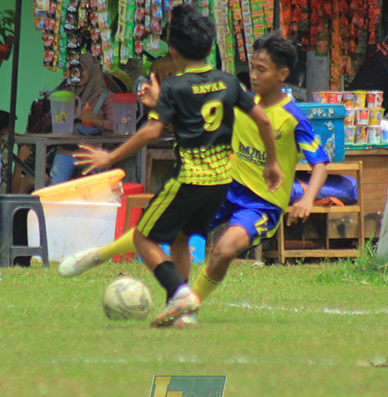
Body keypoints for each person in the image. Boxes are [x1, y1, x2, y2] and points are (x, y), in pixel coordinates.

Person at [60, 33, 329, 324]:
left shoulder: (293, 117)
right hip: (226, 187)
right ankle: (99, 255)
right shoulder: (240, 100)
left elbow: (321, 164)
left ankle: (189, 303)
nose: (253, 75)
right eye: (251, 67)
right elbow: (196, 123)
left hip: (262, 203)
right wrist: (159, 103)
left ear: (283, 74)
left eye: (261, 70)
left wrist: (308, 198)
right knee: (170, 232)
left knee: (224, 251)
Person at [49, 52, 115, 185]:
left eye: (82, 70)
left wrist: (91, 120)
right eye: (74, 70)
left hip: (93, 149)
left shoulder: (106, 96)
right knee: (56, 182)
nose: (77, 73)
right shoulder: (67, 91)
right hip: (69, 148)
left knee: (98, 186)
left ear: (92, 70)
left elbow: (114, 125)